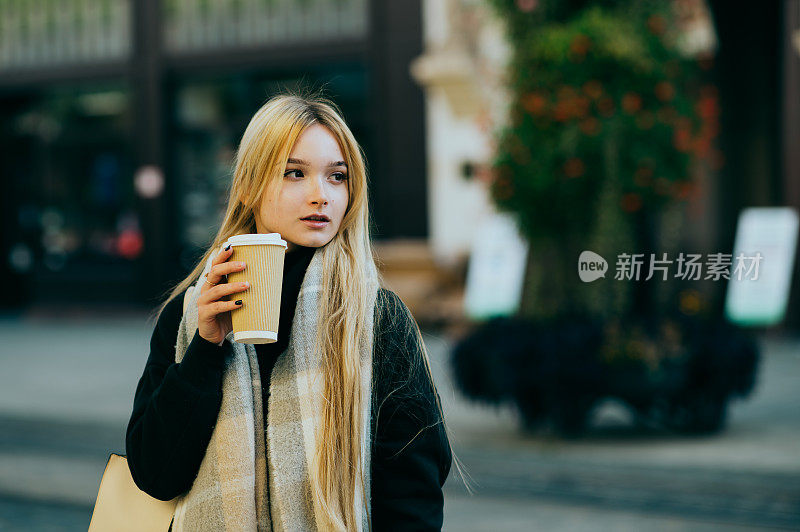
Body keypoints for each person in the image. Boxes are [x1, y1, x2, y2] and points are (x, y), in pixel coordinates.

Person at [125, 93, 453, 531]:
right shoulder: (190, 315)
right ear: (247, 186)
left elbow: (414, 492)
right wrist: (205, 349)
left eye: (337, 177)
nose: (321, 195)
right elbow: (155, 475)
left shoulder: (375, 317)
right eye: (294, 173)